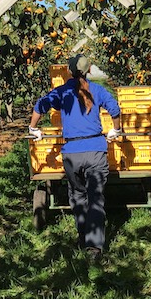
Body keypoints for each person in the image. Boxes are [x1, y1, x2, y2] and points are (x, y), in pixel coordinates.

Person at [28, 54, 122, 262]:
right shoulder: (96, 90)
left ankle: (83, 236)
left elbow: (40, 105)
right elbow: (114, 108)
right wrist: (116, 129)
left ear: (69, 71)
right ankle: (94, 247)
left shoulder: (62, 92)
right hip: (96, 150)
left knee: (78, 196)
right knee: (96, 199)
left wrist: (33, 128)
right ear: (89, 71)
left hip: (72, 153)